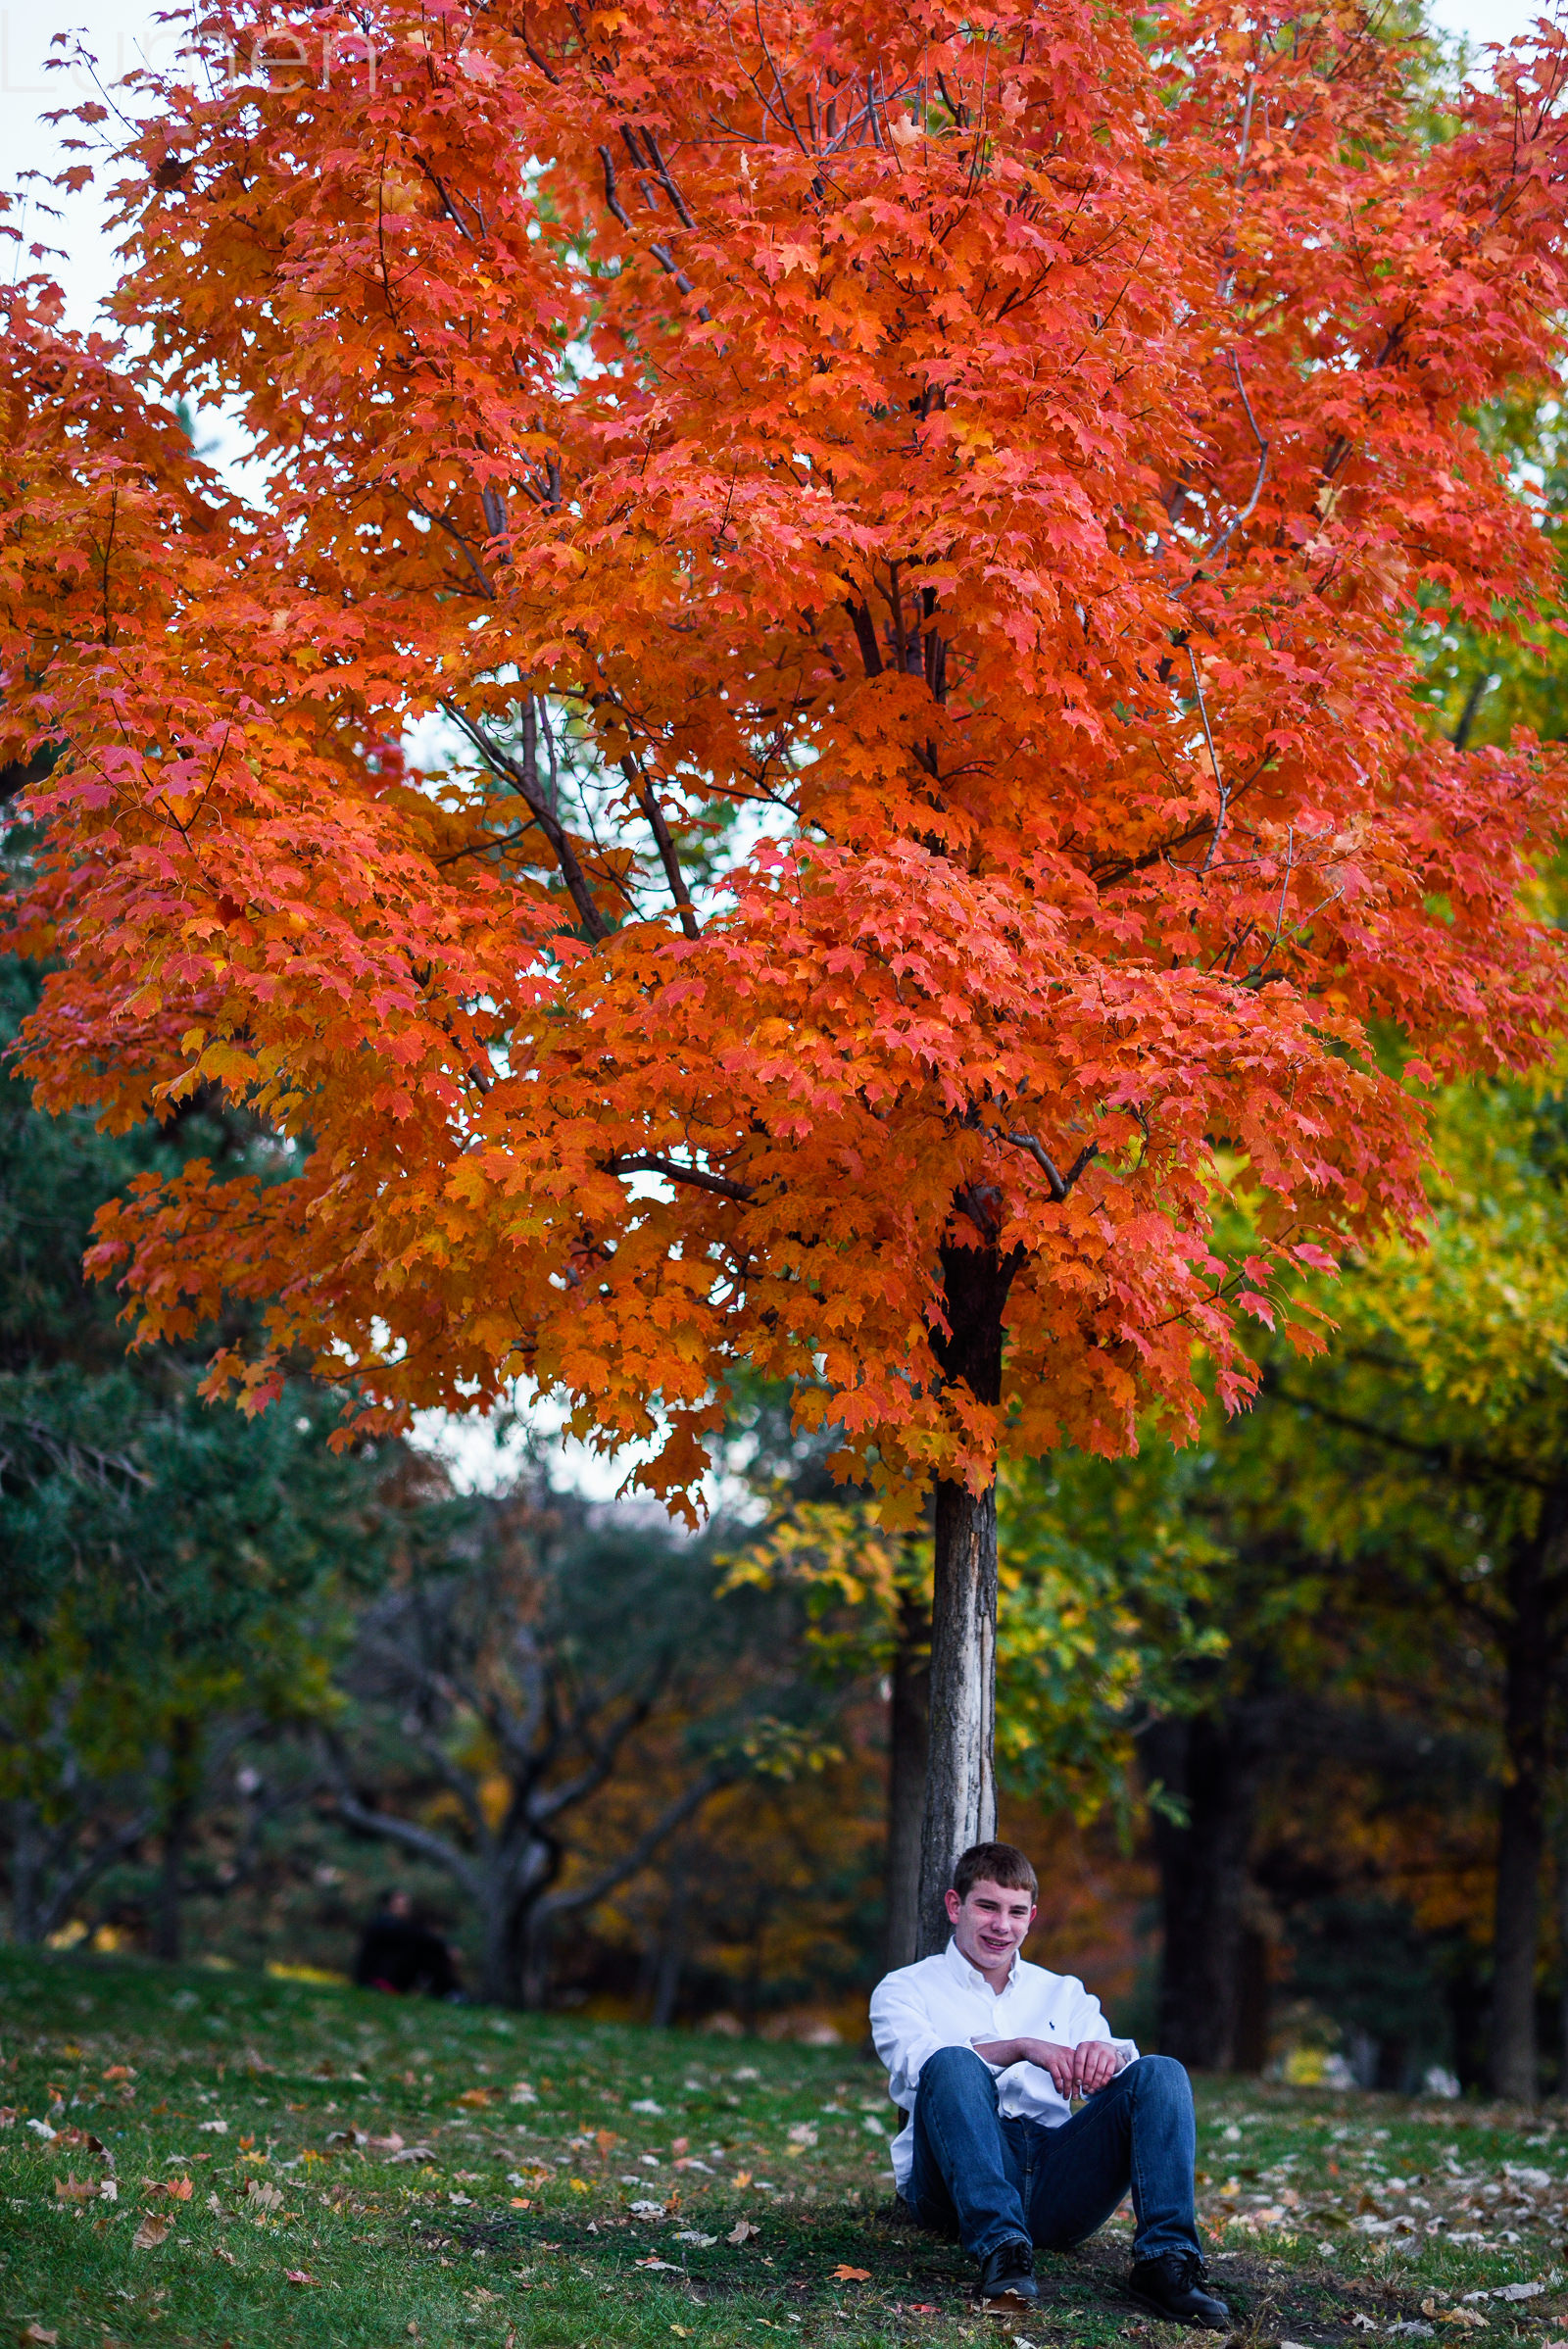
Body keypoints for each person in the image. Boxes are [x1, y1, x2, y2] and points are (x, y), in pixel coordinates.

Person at [868, 1839, 1229, 2330]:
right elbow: (920, 2065)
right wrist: (1022, 2046)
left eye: (1017, 1912)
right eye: (987, 1906)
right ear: (956, 1907)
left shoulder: (1064, 1992)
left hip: (1056, 2178)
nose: (1002, 1925)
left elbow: (1119, 2077)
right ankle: (1001, 2250)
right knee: (951, 2062)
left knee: (1160, 2072)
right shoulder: (905, 1988)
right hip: (954, 2183)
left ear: (1031, 1916)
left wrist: (1103, 2058)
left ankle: (1165, 2263)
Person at [354, 1888, 463, 1999]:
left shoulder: (396, 1927)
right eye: (404, 1904)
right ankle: (451, 1993)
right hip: (376, 1981)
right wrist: (444, 1947)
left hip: (390, 1981)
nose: (407, 1908)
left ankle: (450, 1992)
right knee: (425, 1952)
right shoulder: (382, 1924)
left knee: (425, 1952)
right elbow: (415, 1935)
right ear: (391, 1904)